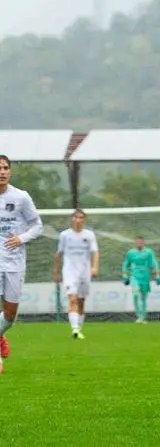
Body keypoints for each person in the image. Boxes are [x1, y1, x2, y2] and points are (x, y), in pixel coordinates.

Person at [0, 155, 44, 373]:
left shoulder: (21, 197)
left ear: (10, 171)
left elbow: (38, 226)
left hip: (15, 262)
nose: (2, 172)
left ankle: (1, 335)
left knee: (9, 316)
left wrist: (21, 238)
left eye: (6, 168)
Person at [53, 209, 100, 339]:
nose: (77, 220)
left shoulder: (89, 235)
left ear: (84, 220)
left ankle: (79, 327)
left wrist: (95, 267)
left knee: (81, 300)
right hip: (69, 272)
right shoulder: (64, 235)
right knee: (72, 298)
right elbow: (59, 254)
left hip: (85, 272)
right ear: (72, 219)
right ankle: (74, 329)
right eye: (75, 217)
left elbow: (95, 252)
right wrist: (55, 272)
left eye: (80, 218)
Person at [121, 236, 160, 323]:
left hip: (145, 277)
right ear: (135, 243)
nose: (139, 243)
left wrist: (157, 275)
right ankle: (139, 316)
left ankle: (143, 317)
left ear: (143, 243)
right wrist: (125, 275)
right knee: (136, 294)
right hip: (134, 276)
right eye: (137, 242)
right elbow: (125, 264)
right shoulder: (131, 253)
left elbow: (154, 263)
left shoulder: (148, 252)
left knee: (143, 298)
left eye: (141, 242)